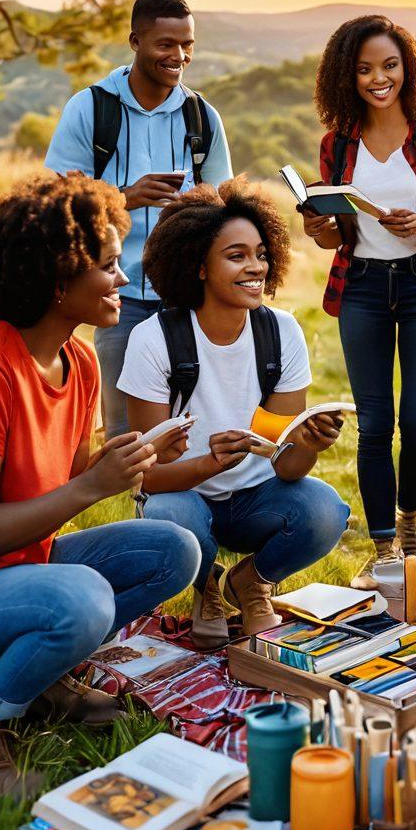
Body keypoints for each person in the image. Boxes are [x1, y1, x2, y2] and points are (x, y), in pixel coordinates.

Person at [0, 176, 200, 806]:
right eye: (108, 268)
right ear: (59, 281)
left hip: (17, 572)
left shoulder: (79, 361)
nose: (123, 281)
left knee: (173, 549)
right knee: (81, 600)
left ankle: (39, 678)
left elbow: (73, 472)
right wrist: (90, 486)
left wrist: (133, 457)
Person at [119, 177, 350, 649]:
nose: (256, 267)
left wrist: (304, 443)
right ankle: (207, 585)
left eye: (262, 254)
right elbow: (144, 477)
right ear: (199, 266)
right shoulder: (153, 339)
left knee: (325, 509)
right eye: (237, 255)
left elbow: (285, 466)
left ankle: (250, 581)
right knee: (168, 515)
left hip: (255, 498)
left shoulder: (281, 333)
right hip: (182, 494)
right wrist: (208, 464)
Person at [301, 15, 416, 590]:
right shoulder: (338, 142)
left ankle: (410, 518)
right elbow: (333, 234)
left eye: (390, 65)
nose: (379, 78)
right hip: (363, 287)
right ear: (346, 76)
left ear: (408, 66)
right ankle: (382, 545)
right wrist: (321, 228)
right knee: (375, 424)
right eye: (366, 68)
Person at [45, 0, 233, 439]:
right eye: (166, 44)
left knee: (192, 419)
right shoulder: (90, 108)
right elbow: (56, 201)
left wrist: (199, 204)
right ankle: (130, 507)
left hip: (186, 293)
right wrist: (125, 197)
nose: (180, 56)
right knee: (125, 428)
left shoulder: (202, 116)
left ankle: (180, 504)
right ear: (135, 41)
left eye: (187, 45)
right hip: (117, 296)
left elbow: (223, 204)